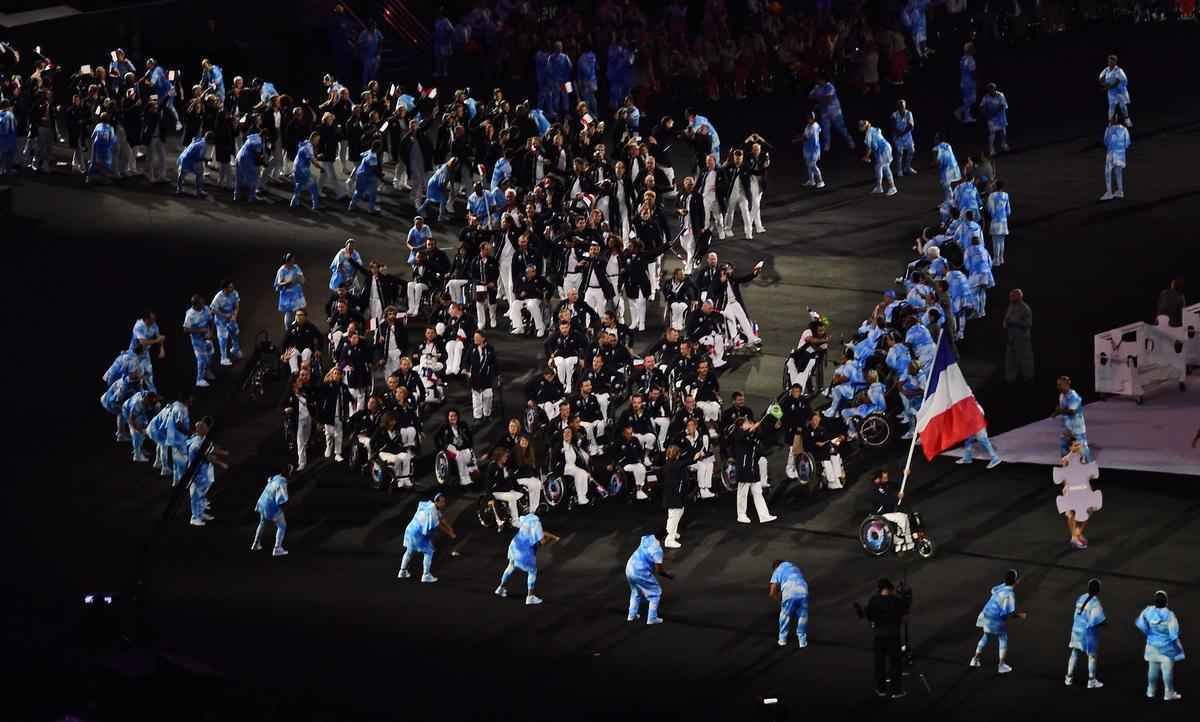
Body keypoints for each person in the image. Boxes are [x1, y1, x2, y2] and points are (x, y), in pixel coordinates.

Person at [495, 511, 560, 606]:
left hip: (514, 546)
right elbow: (542, 540)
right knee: (532, 571)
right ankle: (530, 597)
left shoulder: (525, 518)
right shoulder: (537, 524)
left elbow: (539, 532)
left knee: (511, 565)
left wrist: (554, 537)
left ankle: (500, 588)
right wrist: (549, 539)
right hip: (524, 552)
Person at [970, 569, 1027, 674]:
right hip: (994, 620)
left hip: (985, 615)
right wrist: (1020, 615)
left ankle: (975, 659)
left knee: (986, 635)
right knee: (1003, 638)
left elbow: (993, 590)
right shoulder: (1010, 594)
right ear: (1017, 581)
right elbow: (1007, 614)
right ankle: (1001, 665)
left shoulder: (1001, 587)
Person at [1135, 590, 1184, 701]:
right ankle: (1169, 694)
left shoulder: (1148, 611)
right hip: (1167, 649)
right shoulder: (1170, 615)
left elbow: (1140, 624)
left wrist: (1149, 633)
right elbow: (1174, 634)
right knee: (1167, 673)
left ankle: (1150, 691)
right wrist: (1178, 648)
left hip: (1151, 647)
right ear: (1166, 602)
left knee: (1152, 670)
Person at [866, 577, 911, 698]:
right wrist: (905, 596)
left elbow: (869, 615)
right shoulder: (895, 601)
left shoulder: (873, 600)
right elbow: (905, 609)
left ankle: (881, 689)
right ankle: (896, 691)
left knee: (879, 663)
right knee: (895, 663)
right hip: (893, 635)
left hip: (879, 636)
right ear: (889, 589)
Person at [398, 493, 456, 583]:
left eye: (445, 501)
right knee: (429, 551)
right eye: (442, 502)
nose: (444, 503)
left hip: (410, 530)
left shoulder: (430, 504)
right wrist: (450, 533)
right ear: (436, 502)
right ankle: (426, 575)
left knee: (409, 551)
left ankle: (402, 571)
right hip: (417, 533)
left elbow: (441, 518)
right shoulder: (432, 513)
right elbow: (439, 526)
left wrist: (449, 527)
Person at [732, 416, 776, 524]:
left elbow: (760, 437)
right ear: (741, 426)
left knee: (758, 492)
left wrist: (768, 427)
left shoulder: (751, 435)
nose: (750, 424)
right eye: (747, 423)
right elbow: (743, 436)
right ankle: (741, 515)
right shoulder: (738, 434)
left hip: (753, 469)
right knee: (742, 493)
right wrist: (752, 429)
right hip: (744, 468)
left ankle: (764, 515)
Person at [1065, 578, 1106, 689]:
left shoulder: (1081, 597)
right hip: (1087, 633)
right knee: (1092, 656)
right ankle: (1091, 681)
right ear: (1098, 590)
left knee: (1074, 653)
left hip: (1076, 629)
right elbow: (1097, 620)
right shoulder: (1095, 603)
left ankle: (1068, 678)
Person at [625, 532, 673, 625]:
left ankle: (631, 615)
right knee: (655, 593)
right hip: (640, 572)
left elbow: (649, 552)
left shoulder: (647, 538)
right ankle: (652, 618)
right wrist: (669, 575)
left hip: (630, 567)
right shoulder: (657, 550)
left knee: (635, 592)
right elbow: (659, 571)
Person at [769, 560, 809, 648]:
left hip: (790, 590)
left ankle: (782, 640)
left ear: (775, 566)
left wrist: (780, 601)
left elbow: (772, 592)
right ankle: (802, 642)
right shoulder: (795, 567)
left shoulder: (778, 569)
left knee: (785, 615)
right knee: (802, 616)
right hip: (803, 589)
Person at [251, 472, 290, 557]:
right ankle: (277, 548)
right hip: (270, 506)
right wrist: (285, 500)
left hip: (262, 502)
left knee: (262, 523)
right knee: (282, 526)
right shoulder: (282, 480)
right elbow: (284, 496)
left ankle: (255, 544)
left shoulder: (274, 477)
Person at [1053, 376, 1091, 462]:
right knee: (1064, 445)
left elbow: (1072, 411)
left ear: (1066, 385)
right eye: (1057, 385)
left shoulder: (1074, 396)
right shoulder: (1062, 395)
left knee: (1083, 447)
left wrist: (1060, 411)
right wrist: (1056, 413)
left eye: (1060, 385)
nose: (1058, 387)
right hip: (1067, 427)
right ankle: (1065, 464)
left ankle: (1089, 466)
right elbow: (1062, 408)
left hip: (1077, 427)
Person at [183, 294, 215, 388]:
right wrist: (200, 330)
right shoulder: (190, 315)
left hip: (207, 337)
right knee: (202, 359)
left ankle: (207, 371)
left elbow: (211, 321)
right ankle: (199, 379)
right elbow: (186, 329)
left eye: (203, 303)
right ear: (195, 305)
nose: (203, 305)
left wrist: (211, 332)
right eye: (201, 304)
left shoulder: (205, 308)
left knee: (210, 355)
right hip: (197, 341)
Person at [1003, 289, 1033, 383]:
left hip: (1022, 339)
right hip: (1011, 337)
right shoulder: (1011, 306)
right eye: (1010, 296)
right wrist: (1005, 323)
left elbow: (1028, 324)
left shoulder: (1025, 308)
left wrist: (1014, 322)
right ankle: (1010, 379)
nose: (1011, 298)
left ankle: (1028, 378)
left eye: (1013, 296)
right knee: (1010, 359)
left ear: (1019, 296)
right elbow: (1006, 319)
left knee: (1025, 359)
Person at [859, 120, 897, 196]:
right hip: (884, 149)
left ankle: (890, 187)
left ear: (864, 126)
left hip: (884, 149)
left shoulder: (868, 134)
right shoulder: (873, 129)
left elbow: (869, 147)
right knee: (883, 167)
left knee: (880, 167)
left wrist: (866, 156)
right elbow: (874, 145)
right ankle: (881, 187)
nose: (859, 128)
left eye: (861, 126)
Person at [210, 281, 241, 367]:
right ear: (225, 289)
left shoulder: (234, 293)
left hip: (231, 317)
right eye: (230, 287)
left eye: (232, 286)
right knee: (223, 339)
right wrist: (224, 316)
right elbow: (213, 309)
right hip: (221, 320)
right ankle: (223, 358)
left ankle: (236, 349)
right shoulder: (218, 297)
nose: (232, 288)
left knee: (235, 333)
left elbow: (237, 305)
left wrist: (234, 316)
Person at [1101, 114, 1131, 201]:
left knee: (1107, 173)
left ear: (1111, 120)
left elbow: (1106, 142)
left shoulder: (1109, 129)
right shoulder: (1125, 129)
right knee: (1118, 173)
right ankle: (1120, 191)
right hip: (1121, 154)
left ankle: (1109, 193)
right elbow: (1127, 143)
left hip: (1111, 154)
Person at [274, 253, 307, 332]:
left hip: (297, 293)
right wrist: (287, 282)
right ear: (287, 261)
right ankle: (288, 330)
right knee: (289, 313)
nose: (293, 262)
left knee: (299, 311)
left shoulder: (296, 267)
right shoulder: (282, 270)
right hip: (287, 295)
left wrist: (300, 278)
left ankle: (299, 327)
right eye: (291, 261)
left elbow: (302, 278)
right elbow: (279, 284)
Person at [1098, 54, 1131, 126]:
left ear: (1115, 62)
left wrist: (1107, 87)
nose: (1109, 63)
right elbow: (1100, 79)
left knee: (1123, 106)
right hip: (1111, 92)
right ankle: (1110, 122)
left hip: (1120, 91)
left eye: (1111, 61)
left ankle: (1127, 119)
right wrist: (1104, 84)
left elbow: (1117, 82)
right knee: (1111, 107)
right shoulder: (1106, 70)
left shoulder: (1119, 70)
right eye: (1109, 61)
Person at [176, 131, 212, 197]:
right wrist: (207, 159)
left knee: (182, 175)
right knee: (198, 174)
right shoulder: (203, 145)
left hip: (185, 157)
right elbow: (197, 157)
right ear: (210, 140)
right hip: (188, 160)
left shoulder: (201, 140)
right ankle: (199, 191)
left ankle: (179, 189)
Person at [979, 83, 1009, 156]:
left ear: (995, 89)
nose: (991, 91)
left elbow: (1002, 106)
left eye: (992, 89)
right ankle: (991, 149)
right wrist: (985, 114)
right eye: (989, 90)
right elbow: (981, 107)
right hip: (991, 119)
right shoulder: (985, 97)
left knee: (1003, 132)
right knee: (992, 133)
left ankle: (1004, 144)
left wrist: (993, 113)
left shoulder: (1000, 95)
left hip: (1001, 117)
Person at [986, 180, 1011, 265]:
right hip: (1004, 221)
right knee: (1001, 240)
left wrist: (993, 215)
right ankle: (1001, 258)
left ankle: (996, 260)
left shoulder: (992, 196)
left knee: (995, 241)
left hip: (996, 221)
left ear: (995, 187)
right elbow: (1009, 211)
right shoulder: (1006, 195)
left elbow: (990, 209)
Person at [798, 111, 825, 188]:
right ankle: (811, 181)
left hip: (814, 149)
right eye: (808, 118)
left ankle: (821, 181)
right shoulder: (808, 126)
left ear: (813, 118)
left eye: (811, 118)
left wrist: (797, 139)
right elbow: (805, 135)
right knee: (808, 165)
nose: (809, 119)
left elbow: (806, 137)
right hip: (807, 148)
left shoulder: (815, 126)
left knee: (813, 165)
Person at [955, 42, 977, 124]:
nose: (974, 49)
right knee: (971, 100)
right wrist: (976, 80)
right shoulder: (971, 60)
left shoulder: (962, 58)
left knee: (966, 100)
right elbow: (973, 73)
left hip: (963, 82)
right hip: (969, 83)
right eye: (973, 48)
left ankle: (967, 117)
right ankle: (959, 111)